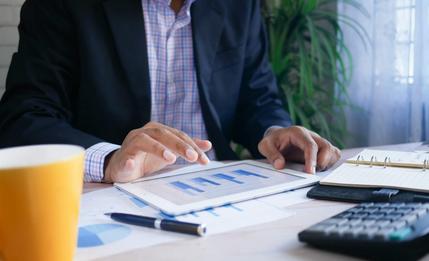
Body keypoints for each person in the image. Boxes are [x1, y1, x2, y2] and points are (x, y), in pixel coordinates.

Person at [0, 0, 340, 183]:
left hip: (218, 192)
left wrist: (275, 131)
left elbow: (258, 97)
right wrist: (110, 160)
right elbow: (23, 119)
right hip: (110, 197)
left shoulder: (239, 4)